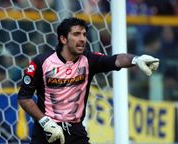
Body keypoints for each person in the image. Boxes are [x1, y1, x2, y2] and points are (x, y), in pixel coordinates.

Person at [17, 17, 159, 144]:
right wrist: (45, 121)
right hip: (46, 130)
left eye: (84, 34)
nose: (82, 39)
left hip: (76, 131)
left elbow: (117, 59)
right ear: (63, 39)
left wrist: (136, 59)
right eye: (76, 34)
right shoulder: (42, 62)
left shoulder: (88, 60)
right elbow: (24, 98)